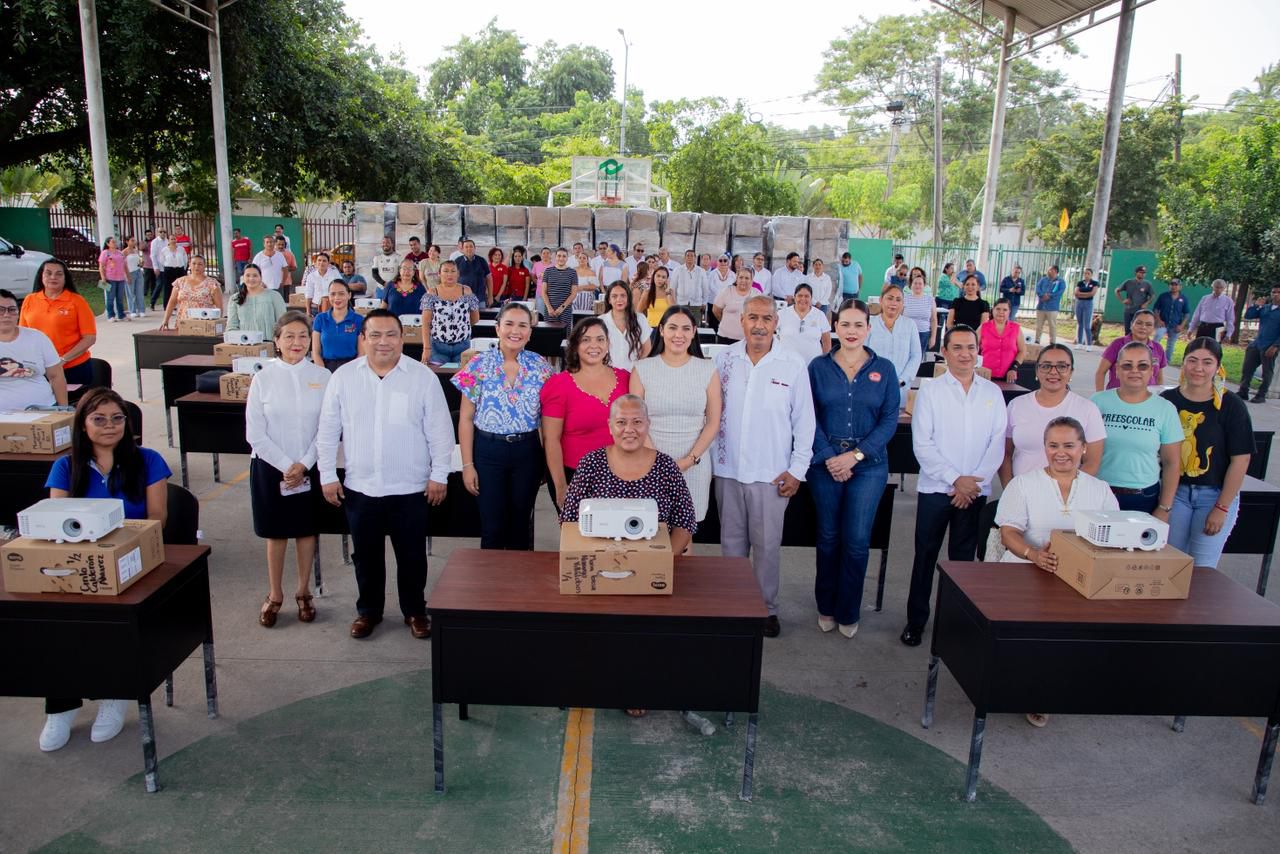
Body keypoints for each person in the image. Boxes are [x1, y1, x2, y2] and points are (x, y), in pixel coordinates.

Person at [40, 388, 170, 751]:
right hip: (81, 564)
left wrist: (116, 544)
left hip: (132, 561)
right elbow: (56, 522)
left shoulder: (147, 460)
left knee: (113, 622)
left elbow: (157, 519)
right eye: (99, 419)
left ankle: (114, 695)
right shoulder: (65, 467)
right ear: (83, 425)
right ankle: (61, 706)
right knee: (55, 621)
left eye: (117, 418)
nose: (110, 426)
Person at [317, 310, 453, 641]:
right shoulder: (344, 378)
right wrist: (326, 474)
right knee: (366, 556)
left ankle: (415, 611)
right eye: (375, 335)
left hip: (411, 487)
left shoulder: (422, 378)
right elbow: (328, 430)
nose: (384, 342)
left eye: (391, 334)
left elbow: (440, 431)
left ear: (402, 338)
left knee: (412, 556)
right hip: (361, 486)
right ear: (362, 339)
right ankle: (369, 611)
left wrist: (440, 474)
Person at [996, 415, 1119, 729]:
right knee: (1027, 635)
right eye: (1053, 446)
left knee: (1066, 636)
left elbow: (1113, 536)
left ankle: (1045, 692)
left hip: (1075, 579)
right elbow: (1008, 533)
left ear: (1084, 448)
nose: (1061, 453)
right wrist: (1034, 555)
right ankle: (1021, 685)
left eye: (1069, 445)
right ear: (1045, 448)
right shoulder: (1023, 484)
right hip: (1025, 572)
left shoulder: (1100, 490)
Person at [714, 295, 815, 637]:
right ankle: (734, 607)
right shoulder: (724, 359)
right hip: (728, 469)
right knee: (731, 545)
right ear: (741, 321)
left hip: (771, 474)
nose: (759, 325)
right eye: (753, 318)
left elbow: (805, 422)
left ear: (776, 323)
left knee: (767, 547)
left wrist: (797, 470)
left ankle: (766, 609)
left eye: (766, 319)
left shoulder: (792, 363)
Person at [902, 325, 1006, 647]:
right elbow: (923, 444)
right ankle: (916, 622)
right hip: (936, 490)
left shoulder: (992, 393)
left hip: (974, 492)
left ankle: (954, 624)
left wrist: (971, 484)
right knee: (925, 557)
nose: (965, 354)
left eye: (970, 347)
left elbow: (997, 444)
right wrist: (955, 480)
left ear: (978, 351)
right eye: (957, 347)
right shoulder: (931, 391)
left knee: (962, 563)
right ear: (944, 352)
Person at [808, 299, 898, 637]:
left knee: (857, 541)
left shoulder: (884, 369)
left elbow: (889, 420)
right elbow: (807, 415)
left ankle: (848, 610)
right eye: (845, 324)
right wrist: (830, 455)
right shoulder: (818, 367)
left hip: (869, 465)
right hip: (826, 462)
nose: (851, 331)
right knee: (828, 537)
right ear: (835, 327)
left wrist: (856, 456)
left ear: (868, 329)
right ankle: (826, 606)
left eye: (858, 325)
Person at [246, 311, 331, 629]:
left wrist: (304, 464)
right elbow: (255, 433)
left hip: (310, 465)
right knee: (276, 532)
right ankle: (275, 594)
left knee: (306, 530)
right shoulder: (263, 378)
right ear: (277, 341)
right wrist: (286, 466)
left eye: (303, 336)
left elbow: (328, 428)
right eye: (289, 336)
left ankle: (304, 591)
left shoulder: (323, 377)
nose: (297, 342)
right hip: (270, 467)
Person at [454, 302, 552, 550]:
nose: (515, 331)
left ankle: (518, 575)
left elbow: (546, 418)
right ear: (497, 328)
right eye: (509, 324)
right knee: (492, 527)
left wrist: (545, 460)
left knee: (520, 525)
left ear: (530, 332)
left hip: (527, 451)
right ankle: (491, 576)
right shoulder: (478, 364)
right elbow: (465, 418)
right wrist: (467, 465)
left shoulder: (541, 366)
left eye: (522, 325)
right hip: (488, 452)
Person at [561, 393, 697, 554]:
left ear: (648, 424)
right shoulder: (591, 464)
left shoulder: (666, 466)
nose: (629, 430)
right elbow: (569, 519)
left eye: (637, 422)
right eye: (621, 422)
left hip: (655, 558)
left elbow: (685, 522)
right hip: (600, 560)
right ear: (610, 426)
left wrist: (663, 562)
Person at [1162, 337, 1253, 569]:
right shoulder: (1167, 401)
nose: (1198, 368)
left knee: (1203, 569)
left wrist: (1222, 507)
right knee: (1171, 565)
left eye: (1207, 362)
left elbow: (1241, 460)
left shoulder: (1231, 405)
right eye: (1192, 360)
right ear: (1183, 362)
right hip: (1175, 494)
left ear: (1218, 367)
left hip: (1214, 496)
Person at [630, 306, 722, 531]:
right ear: (661, 330)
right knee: (650, 530)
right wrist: (659, 462)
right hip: (650, 463)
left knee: (685, 534)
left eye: (685, 329)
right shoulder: (642, 368)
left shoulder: (707, 369)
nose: (678, 335)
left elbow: (713, 422)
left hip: (694, 465)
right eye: (672, 328)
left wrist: (689, 460)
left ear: (694, 332)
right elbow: (636, 421)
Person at [540, 317, 630, 509]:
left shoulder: (626, 379)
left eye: (600, 339)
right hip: (575, 476)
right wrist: (561, 486)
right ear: (575, 345)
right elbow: (551, 439)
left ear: (608, 344)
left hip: (621, 475)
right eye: (586, 339)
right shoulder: (559, 385)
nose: (594, 345)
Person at [1092, 340, 1182, 514]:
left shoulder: (1165, 409)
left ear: (1151, 370)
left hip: (1142, 497)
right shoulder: (1097, 402)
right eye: (1127, 365)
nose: (1135, 371)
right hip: (1098, 492)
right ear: (1117, 370)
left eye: (1142, 366)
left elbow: (1171, 463)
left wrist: (1164, 508)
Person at [999, 344, 1106, 484]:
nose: (1053, 372)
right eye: (1046, 366)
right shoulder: (1016, 405)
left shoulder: (1088, 409)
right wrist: (1010, 489)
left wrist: (1066, 491)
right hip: (1021, 491)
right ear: (1037, 371)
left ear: (1071, 372)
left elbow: (1092, 462)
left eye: (1062, 366)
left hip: (1067, 494)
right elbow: (1004, 454)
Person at [20, 259, 97, 387]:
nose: (53, 277)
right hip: (38, 369)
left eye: (59, 274)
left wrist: (62, 360)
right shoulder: (30, 300)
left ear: (65, 278)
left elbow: (90, 338)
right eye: (48, 273)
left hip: (73, 368)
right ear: (41, 276)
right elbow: (23, 335)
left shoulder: (77, 301)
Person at [0, 288, 67, 409]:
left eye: (12, 310)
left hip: (43, 409)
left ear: (18, 313)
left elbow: (56, 376)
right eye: (1, 310)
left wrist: (63, 410)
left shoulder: (37, 337)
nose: (6, 315)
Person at [867, 283, 923, 410]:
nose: (894, 303)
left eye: (898, 300)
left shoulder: (910, 325)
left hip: (900, 388)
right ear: (881, 300)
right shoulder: (870, 323)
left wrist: (902, 380)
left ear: (903, 304)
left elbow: (916, 355)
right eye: (890, 298)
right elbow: (862, 354)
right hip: (873, 386)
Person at [421, 260, 481, 364]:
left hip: (463, 346)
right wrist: (426, 348)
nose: (449, 274)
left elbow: (475, 318)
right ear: (439, 274)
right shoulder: (432, 293)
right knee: (438, 374)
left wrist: (460, 326)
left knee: (464, 374)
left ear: (458, 274)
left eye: (453, 271)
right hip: (438, 346)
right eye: (446, 271)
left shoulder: (467, 291)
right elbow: (426, 323)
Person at [1095, 309, 1167, 390]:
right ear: (1131, 324)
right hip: (1118, 396)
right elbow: (1101, 372)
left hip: (1148, 396)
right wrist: (1099, 395)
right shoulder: (1117, 344)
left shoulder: (1158, 348)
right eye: (1139, 323)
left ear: (1153, 328)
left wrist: (1158, 395)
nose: (1143, 327)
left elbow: (1159, 378)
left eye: (1148, 324)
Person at [226, 263, 287, 343]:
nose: (251, 279)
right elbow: (232, 325)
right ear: (243, 278)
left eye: (255, 275)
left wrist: (278, 341)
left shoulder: (274, 296)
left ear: (261, 278)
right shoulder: (235, 299)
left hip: (270, 343)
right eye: (248, 275)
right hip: (245, 345)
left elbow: (283, 323)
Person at [311, 279, 364, 371]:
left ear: (349, 295)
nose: (337, 298)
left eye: (341, 294)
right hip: (325, 367)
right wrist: (324, 373)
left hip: (351, 368)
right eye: (333, 294)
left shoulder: (359, 320)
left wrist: (352, 372)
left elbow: (362, 353)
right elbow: (315, 352)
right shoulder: (320, 319)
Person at [160, 254, 223, 330]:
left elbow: (219, 307)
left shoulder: (212, 284)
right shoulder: (180, 282)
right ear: (189, 264)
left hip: (205, 325)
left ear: (204, 266)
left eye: (200, 264)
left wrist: (217, 325)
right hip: (183, 323)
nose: (196, 266)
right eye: (194, 263)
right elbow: (172, 302)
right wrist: (165, 320)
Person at [1240, 285, 1280, 402]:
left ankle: (1261, 395)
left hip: (1270, 345)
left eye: (1278, 292)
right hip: (1257, 343)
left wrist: (1275, 346)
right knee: (1247, 368)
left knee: (1267, 372)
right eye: (1273, 292)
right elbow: (1248, 316)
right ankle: (1243, 391)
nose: (1275, 295)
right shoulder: (1266, 308)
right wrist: (1256, 305)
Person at [600, 281, 651, 371]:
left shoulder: (640, 318)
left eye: (623, 295)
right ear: (609, 300)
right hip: (609, 374)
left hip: (634, 374)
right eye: (614, 296)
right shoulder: (601, 321)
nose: (619, 299)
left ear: (628, 298)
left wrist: (637, 369)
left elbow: (647, 348)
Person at [776, 283, 832, 363]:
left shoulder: (819, 315)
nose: (803, 299)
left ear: (811, 298)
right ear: (794, 297)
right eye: (800, 296)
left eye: (806, 296)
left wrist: (825, 362)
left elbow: (826, 341)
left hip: (813, 365)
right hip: (787, 364)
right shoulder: (782, 314)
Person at [539, 248, 581, 341]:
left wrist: (562, 308)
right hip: (550, 311)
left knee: (564, 338)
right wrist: (549, 308)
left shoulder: (572, 272)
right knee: (549, 337)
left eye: (564, 256)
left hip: (565, 311)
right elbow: (543, 292)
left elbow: (573, 293)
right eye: (559, 256)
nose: (561, 258)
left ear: (567, 258)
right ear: (555, 257)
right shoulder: (548, 271)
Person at [980, 298, 1025, 381]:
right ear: (992, 310)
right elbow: (972, 347)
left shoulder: (1016, 328)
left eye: (1005, 310)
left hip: (1008, 377)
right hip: (985, 376)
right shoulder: (983, 327)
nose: (1001, 312)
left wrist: (1014, 368)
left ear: (1009, 312)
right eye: (998, 309)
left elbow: (1022, 351)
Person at [713, 268, 757, 344]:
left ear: (752, 281)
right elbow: (716, 310)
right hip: (724, 337)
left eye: (747, 278)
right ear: (736, 279)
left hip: (746, 339)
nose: (743, 280)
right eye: (741, 277)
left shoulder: (756, 295)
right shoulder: (727, 291)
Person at [902, 268, 938, 354]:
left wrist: (933, 337)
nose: (917, 286)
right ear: (911, 285)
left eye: (920, 283)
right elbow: (898, 317)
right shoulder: (904, 299)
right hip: (906, 333)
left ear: (924, 286)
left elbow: (933, 319)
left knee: (919, 357)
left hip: (923, 334)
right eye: (915, 283)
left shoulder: (930, 300)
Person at [1153, 278, 1190, 359]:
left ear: (1180, 287)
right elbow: (1155, 309)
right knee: (1157, 338)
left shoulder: (1183, 298)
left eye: (1176, 285)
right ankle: (1153, 358)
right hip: (1163, 324)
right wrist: (1159, 320)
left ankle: (1166, 362)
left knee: (1171, 344)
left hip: (1175, 325)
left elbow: (1187, 314)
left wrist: (1181, 326)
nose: (1173, 286)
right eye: (1172, 284)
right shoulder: (1163, 296)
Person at [946, 275, 990, 341]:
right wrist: (955, 336)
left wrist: (973, 340)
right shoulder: (956, 301)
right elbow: (949, 323)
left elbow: (983, 326)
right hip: (957, 337)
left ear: (978, 287)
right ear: (963, 286)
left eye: (973, 284)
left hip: (974, 339)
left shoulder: (984, 304)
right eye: (967, 284)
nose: (970, 287)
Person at [1115, 265, 1154, 335]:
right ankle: (1128, 342)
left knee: (1138, 331)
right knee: (1128, 331)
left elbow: (1152, 296)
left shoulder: (1147, 284)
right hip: (1129, 310)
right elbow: (1117, 291)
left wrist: (1146, 303)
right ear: (1136, 273)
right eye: (1141, 272)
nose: (1143, 274)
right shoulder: (1128, 282)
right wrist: (1122, 300)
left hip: (1140, 312)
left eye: (1144, 273)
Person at [154, 233, 189, 310]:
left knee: (181, 288)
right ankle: (167, 306)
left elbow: (185, 259)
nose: (173, 241)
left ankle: (181, 305)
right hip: (169, 270)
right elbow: (161, 260)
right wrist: (168, 265)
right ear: (168, 240)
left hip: (179, 270)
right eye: (171, 239)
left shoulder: (181, 249)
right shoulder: (164, 250)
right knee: (168, 289)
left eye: (174, 239)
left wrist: (183, 268)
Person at [1033, 265, 1066, 345]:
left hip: (1052, 307)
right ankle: (1037, 340)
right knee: (1039, 325)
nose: (1048, 271)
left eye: (1050, 270)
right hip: (1041, 306)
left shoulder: (1060, 281)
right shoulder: (1043, 279)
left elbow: (1059, 292)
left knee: (1052, 326)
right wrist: (1042, 295)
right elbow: (1038, 288)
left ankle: (1052, 342)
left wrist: (1049, 296)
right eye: (1048, 270)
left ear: (1055, 271)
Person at [672, 249, 706, 325]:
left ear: (695, 258)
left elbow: (705, 288)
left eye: (692, 256)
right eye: (688, 256)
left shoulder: (701, 271)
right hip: (681, 303)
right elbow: (673, 287)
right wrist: (674, 303)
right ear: (684, 257)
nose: (690, 257)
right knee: (681, 324)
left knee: (694, 325)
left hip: (696, 304)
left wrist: (704, 302)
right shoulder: (678, 270)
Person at [455, 238, 491, 305]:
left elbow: (489, 278)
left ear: (475, 248)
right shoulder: (457, 261)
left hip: (480, 297)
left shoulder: (481, 260)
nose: (469, 248)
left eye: (471, 246)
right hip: (462, 298)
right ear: (462, 249)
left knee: (481, 312)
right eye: (466, 247)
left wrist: (490, 296)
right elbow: (454, 279)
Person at [1074, 268, 1099, 350]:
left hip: (1088, 303)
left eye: (1088, 273)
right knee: (1080, 323)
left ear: (1091, 275)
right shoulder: (1080, 283)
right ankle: (1079, 343)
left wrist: (1082, 294)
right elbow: (1076, 293)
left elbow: (1092, 293)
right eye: (1085, 273)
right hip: (1079, 303)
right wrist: (1085, 294)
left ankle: (1089, 344)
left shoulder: (1094, 283)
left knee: (1087, 325)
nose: (1086, 275)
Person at [123, 236, 146, 319]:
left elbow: (140, 261)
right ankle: (132, 310)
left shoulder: (137, 251)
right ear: (127, 242)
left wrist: (141, 263)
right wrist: (126, 275)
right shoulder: (124, 252)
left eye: (134, 240)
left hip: (138, 271)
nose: (134, 242)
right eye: (132, 240)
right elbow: (123, 265)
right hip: (130, 272)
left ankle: (141, 310)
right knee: (130, 293)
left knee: (139, 292)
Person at [141, 227, 158, 308]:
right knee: (146, 280)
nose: (149, 236)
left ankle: (153, 292)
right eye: (147, 235)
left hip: (154, 264)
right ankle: (145, 292)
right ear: (145, 235)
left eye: (150, 234)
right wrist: (146, 242)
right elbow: (142, 248)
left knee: (153, 280)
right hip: (147, 264)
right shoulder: (143, 242)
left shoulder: (154, 242)